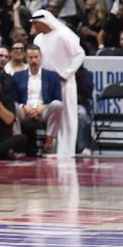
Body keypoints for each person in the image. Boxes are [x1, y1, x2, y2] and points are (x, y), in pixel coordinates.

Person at [29, 10, 82, 159]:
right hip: (46, 83)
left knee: (68, 116)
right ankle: (53, 150)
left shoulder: (63, 35)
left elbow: (80, 54)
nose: (33, 26)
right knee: (52, 115)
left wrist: (66, 73)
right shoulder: (37, 39)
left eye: (35, 23)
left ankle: (67, 151)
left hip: (65, 82)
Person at [11, 44, 64, 156]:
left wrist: (43, 107)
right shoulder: (17, 76)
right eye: (30, 58)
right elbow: (13, 97)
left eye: (36, 57)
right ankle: (18, 142)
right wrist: (23, 106)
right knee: (11, 105)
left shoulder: (52, 76)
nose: (33, 60)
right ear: (26, 58)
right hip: (25, 111)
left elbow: (58, 97)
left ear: (41, 57)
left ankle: (49, 140)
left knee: (58, 105)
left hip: (43, 111)